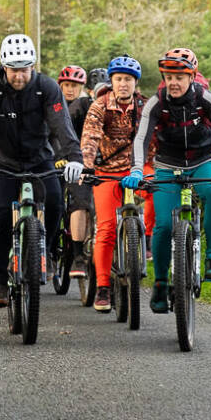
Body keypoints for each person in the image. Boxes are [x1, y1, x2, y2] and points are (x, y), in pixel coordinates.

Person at [0, 34, 85, 308]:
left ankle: (48, 252)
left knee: (55, 203)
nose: (19, 76)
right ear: (4, 67)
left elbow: (61, 125)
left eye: (24, 70)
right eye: (13, 70)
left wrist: (74, 158)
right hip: (2, 161)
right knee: (1, 217)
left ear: (33, 66)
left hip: (39, 159)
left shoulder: (47, 88)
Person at [126, 47, 211, 313]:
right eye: (169, 77)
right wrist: (137, 170)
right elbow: (141, 137)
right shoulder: (157, 103)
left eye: (179, 77)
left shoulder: (206, 99)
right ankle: (160, 282)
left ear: (192, 77)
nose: (173, 82)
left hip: (203, 160)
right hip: (167, 165)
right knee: (163, 225)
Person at [81, 55, 151, 311]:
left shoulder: (145, 106)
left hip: (139, 167)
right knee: (107, 227)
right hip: (107, 170)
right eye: (119, 79)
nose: (123, 84)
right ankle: (103, 287)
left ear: (135, 83)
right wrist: (87, 166)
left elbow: (156, 137)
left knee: (159, 192)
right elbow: (90, 138)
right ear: (111, 81)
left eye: (128, 79)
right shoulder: (99, 106)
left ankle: (149, 239)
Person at [55, 65, 94, 275]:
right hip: (56, 160)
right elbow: (50, 136)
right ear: (60, 86)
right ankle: (49, 247)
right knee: (52, 201)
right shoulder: (52, 104)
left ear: (82, 88)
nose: (70, 90)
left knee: (81, 199)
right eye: (67, 85)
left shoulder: (86, 105)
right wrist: (58, 157)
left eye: (75, 86)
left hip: (81, 162)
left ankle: (79, 255)